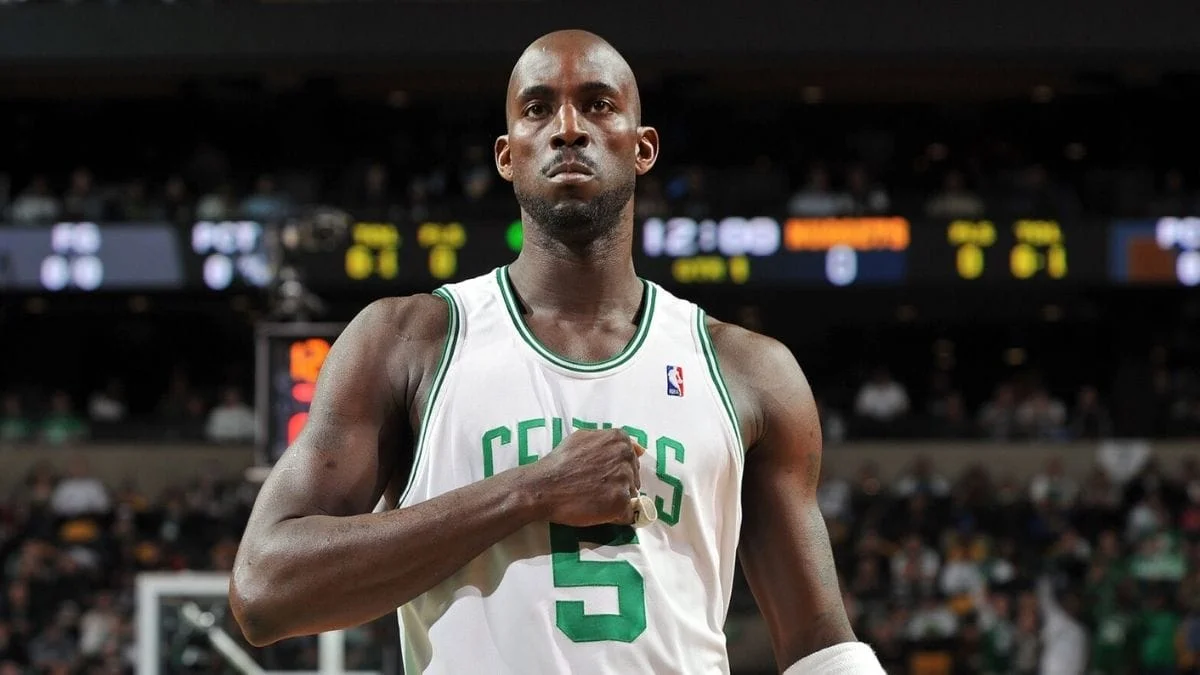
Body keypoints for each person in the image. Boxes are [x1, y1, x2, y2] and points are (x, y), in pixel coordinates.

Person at [230, 30, 883, 675]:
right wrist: (532, 490)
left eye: (598, 104)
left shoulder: (749, 371)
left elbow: (822, 651)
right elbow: (264, 590)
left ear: (643, 145)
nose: (568, 127)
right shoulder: (408, 339)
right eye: (538, 108)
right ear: (507, 154)